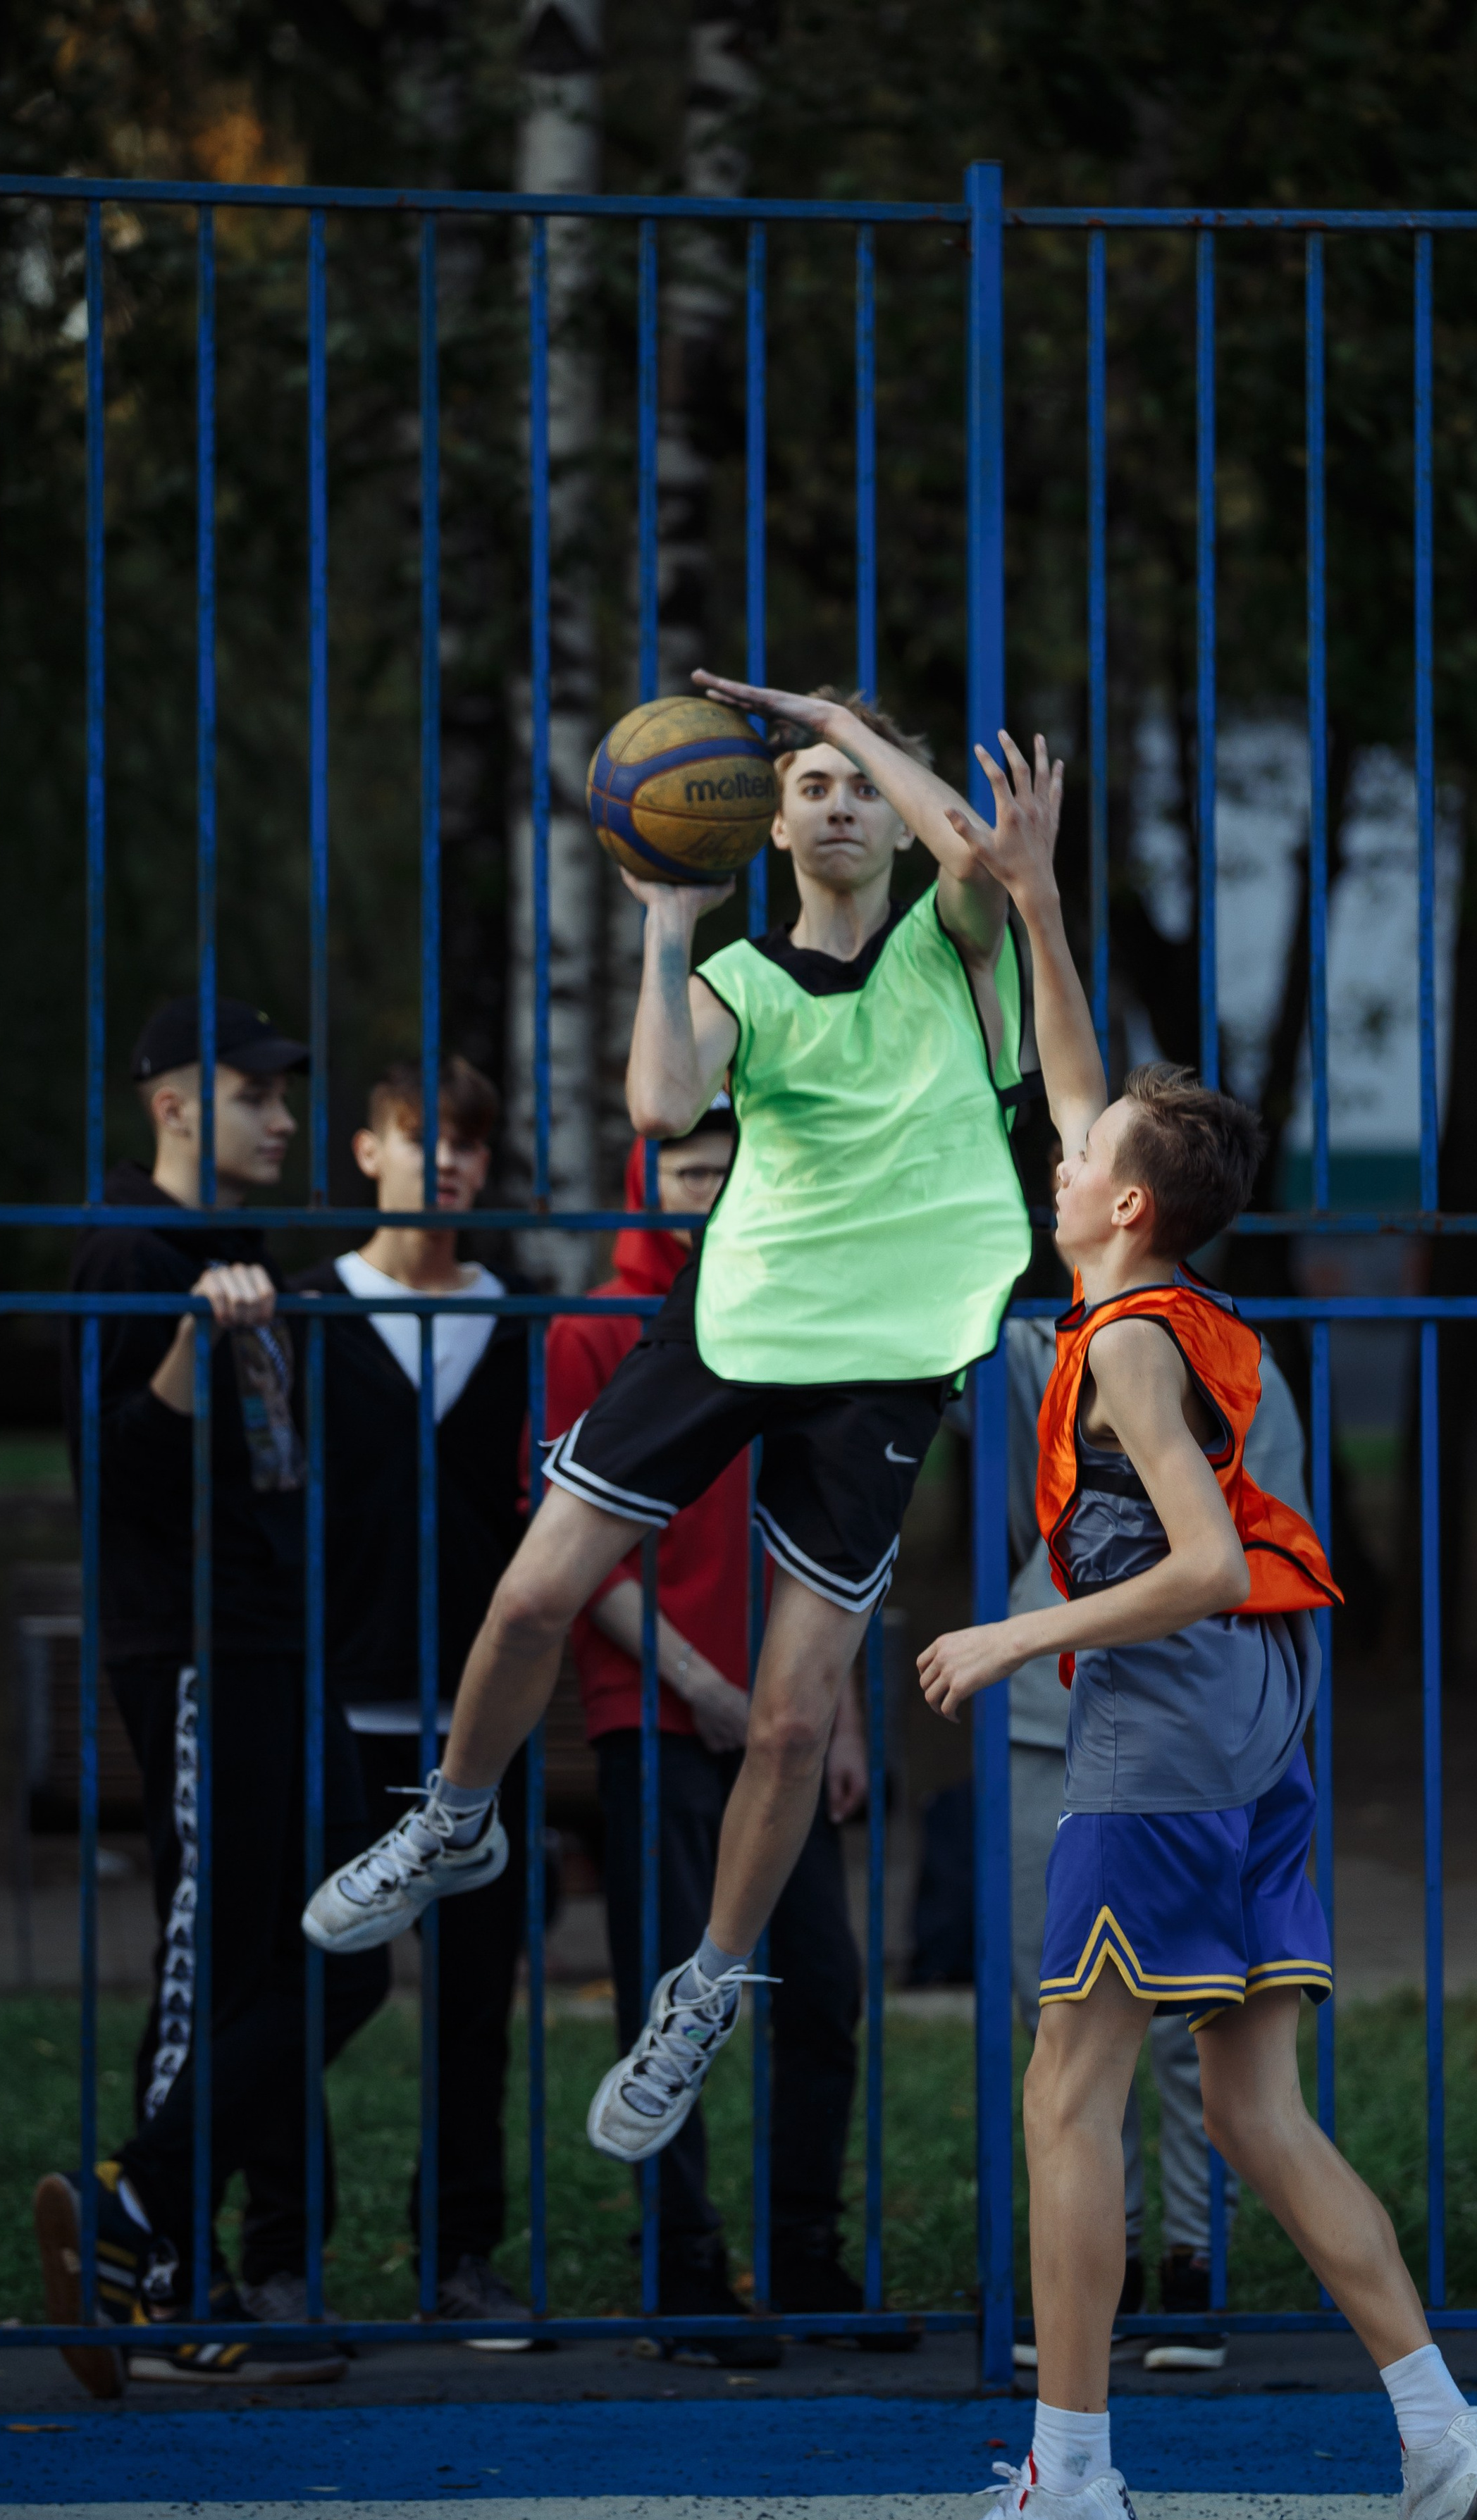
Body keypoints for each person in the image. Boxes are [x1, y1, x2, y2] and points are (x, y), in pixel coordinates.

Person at [896, 734, 1477, 2520]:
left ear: (1118, 1207)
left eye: (1077, 1154)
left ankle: (1073, 2486)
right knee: (1254, 2107)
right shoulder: (1170, 1297)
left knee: (1068, 2095)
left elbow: (1189, 1563)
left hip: (1167, 1738)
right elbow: (1093, 1091)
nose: (1057, 1145)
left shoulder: (1123, 1355)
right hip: (1267, 1737)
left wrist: (1018, 1626)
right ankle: (1444, 2436)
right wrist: (1035, 900)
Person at [302, 676, 1034, 2209]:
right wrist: (662, 917)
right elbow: (657, 1098)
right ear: (768, 823)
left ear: (888, 822)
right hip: (735, 1319)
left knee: (785, 1725)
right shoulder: (745, 976)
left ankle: (700, 1988)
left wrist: (836, 715)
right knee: (528, 1596)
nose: (838, 803)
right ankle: (450, 1823)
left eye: (857, 788)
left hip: (886, 1365)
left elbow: (978, 854)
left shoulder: (953, 952)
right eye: (810, 786)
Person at [35, 997, 388, 2395]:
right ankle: (172, 2272)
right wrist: (186, 1347)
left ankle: (138, 2214)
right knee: (225, 1959)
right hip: (190, 1647)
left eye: (288, 1094)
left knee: (336, 1955)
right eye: (254, 1095)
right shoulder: (131, 1246)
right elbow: (108, 1470)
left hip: (277, 1641)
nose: (285, 1119)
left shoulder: (235, 1245)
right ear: (174, 1103)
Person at [552, 1103, 904, 2354]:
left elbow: (830, 1552)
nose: (709, 1193)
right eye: (690, 1172)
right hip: (655, 1711)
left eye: (727, 1172)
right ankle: (682, 2270)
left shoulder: (796, 1317)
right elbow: (577, 1558)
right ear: (649, 1179)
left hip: (790, 1728)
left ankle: (805, 2254)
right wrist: (704, 1684)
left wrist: (839, 1715)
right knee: (670, 2004)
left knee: (822, 1989)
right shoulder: (599, 1327)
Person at [992, 1299, 1316, 2374]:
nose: (1062, 1183)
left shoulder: (1224, 1352)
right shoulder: (1023, 1344)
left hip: (1181, 1718)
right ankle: (1099, 2273)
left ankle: (1191, 2265)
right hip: (1051, 1710)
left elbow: (1253, 1544)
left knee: (1193, 2016)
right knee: (1064, 2017)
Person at [271, 1055, 538, 2342]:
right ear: (367, 1152)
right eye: (417, 1135)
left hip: (482, 1727)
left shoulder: (522, 1316)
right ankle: (279, 2253)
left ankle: (459, 2257)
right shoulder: (307, 1308)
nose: (447, 1160)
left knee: (476, 2005)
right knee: (317, 1982)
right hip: (340, 1705)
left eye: (470, 1143)